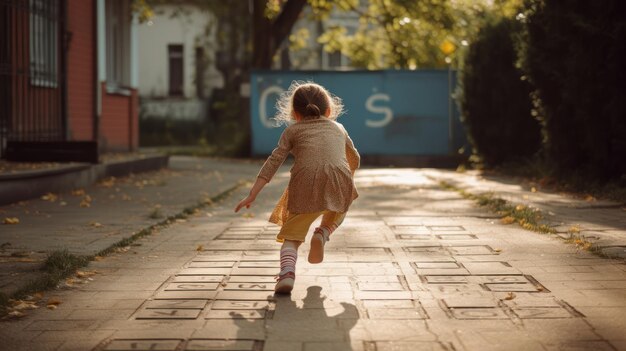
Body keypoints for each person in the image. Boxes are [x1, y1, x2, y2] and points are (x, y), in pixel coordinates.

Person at [234, 81, 360, 294]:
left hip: (305, 186)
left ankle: (287, 275)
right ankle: (324, 231)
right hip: (339, 179)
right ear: (329, 110)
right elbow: (354, 157)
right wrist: (347, 180)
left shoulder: (293, 131)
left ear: (294, 113)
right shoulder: (339, 128)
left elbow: (274, 161)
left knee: (291, 238)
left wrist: (252, 194)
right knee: (340, 209)